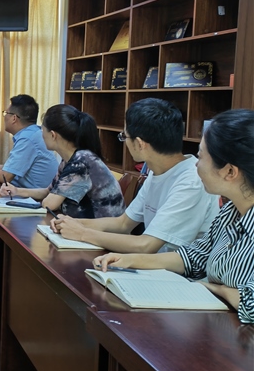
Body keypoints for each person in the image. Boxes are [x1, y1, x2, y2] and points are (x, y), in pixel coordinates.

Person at [94, 109, 254, 323]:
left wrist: (216, 289)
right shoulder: (230, 211)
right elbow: (193, 257)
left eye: (201, 156)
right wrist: (130, 260)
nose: (196, 163)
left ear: (230, 172)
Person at [51, 99, 219, 252]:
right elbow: (123, 223)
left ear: (139, 144)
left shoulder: (191, 181)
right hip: (152, 265)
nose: (125, 142)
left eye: (125, 136)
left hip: (176, 272)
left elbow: (146, 245)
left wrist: (82, 233)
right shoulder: (156, 171)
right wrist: (72, 223)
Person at [0, 104, 124, 218]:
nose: (41, 135)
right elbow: (48, 191)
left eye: (42, 130)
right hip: (84, 226)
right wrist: (17, 191)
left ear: (53, 135)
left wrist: (47, 200)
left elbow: (49, 204)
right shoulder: (69, 159)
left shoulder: (81, 162)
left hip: (100, 229)